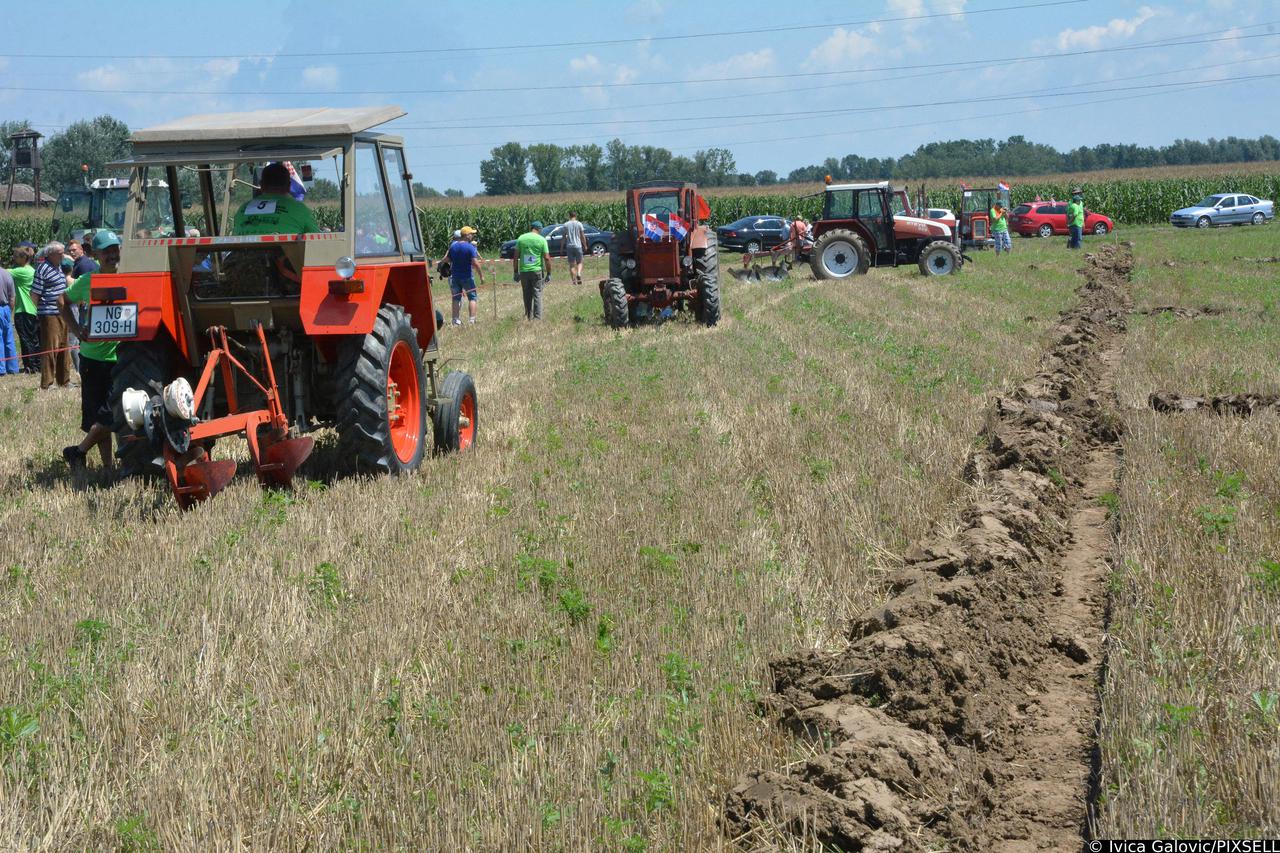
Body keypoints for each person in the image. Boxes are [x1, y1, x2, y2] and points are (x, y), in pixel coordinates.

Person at [60, 230, 123, 474]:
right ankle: (107, 467)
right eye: (106, 251)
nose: (112, 254)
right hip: (93, 358)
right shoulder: (88, 281)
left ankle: (79, 451)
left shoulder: (131, 277)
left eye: (115, 249)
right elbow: (62, 301)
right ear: (95, 254)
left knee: (113, 412)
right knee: (100, 415)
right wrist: (76, 329)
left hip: (122, 358)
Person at [232, 162, 321, 235]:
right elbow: (317, 241)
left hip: (245, 256)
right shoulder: (300, 210)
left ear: (261, 185)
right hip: (285, 256)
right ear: (289, 186)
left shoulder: (243, 209)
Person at [30, 241, 73, 389]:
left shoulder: (58, 266)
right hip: (49, 313)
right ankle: (47, 383)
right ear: (50, 254)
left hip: (62, 312)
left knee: (63, 347)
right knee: (51, 348)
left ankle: (64, 380)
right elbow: (34, 293)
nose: (63, 256)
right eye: (60, 253)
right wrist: (37, 313)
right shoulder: (43, 269)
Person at [8, 245, 39, 374]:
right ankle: (36, 364)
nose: (13, 259)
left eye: (15, 257)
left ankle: (30, 366)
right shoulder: (31, 270)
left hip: (24, 310)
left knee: (25, 340)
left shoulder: (21, 271)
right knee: (34, 339)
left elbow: (3, 272)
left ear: (23, 258)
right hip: (33, 309)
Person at [513, 220, 551, 321]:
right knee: (537, 293)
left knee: (526, 294)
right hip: (537, 271)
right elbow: (547, 258)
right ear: (539, 229)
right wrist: (549, 273)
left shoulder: (521, 238)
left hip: (524, 271)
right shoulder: (542, 240)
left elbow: (516, 256)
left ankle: (528, 315)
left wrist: (515, 272)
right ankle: (537, 318)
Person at [448, 226, 485, 325]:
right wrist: (481, 276)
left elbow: (447, 259)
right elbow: (475, 263)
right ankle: (472, 320)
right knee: (472, 298)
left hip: (455, 277)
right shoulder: (470, 247)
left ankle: (455, 320)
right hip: (467, 276)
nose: (472, 236)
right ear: (467, 235)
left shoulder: (453, 247)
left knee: (456, 298)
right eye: (471, 234)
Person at [562, 212, 588, 286]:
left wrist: (561, 247)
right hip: (578, 246)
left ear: (569, 216)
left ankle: (574, 281)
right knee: (580, 262)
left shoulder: (566, 224)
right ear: (575, 216)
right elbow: (582, 236)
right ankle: (579, 274)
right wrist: (585, 245)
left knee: (571, 265)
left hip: (569, 246)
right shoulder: (579, 224)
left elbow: (563, 236)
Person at [0, 265, 14, 376]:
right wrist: (10, 310)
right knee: (9, 338)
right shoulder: (7, 273)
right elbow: (12, 296)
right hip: (6, 308)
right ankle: (13, 367)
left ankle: (1, 369)